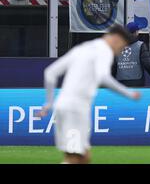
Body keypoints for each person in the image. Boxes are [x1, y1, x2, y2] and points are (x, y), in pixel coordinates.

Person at [37, 25, 141, 164]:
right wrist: (128, 93)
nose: (119, 52)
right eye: (122, 47)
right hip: (75, 110)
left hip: (64, 107)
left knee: (83, 157)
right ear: (116, 38)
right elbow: (103, 77)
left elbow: (50, 73)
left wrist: (49, 103)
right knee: (74, 158)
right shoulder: (105, 51)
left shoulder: (82, 48)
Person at [113, 22, 150, 87]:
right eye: (138, 30)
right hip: (137, 82)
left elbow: (112, 66)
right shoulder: (140, 45)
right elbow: (147, 64)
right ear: (136, 32)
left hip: (120, 82)